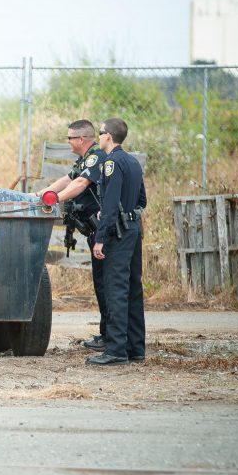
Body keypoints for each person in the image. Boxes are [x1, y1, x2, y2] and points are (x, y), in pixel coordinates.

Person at [36, 119, 109, 351]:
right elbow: (68, 178)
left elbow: (79, 183)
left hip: (103, 232)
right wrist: (40, 194)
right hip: (94, 232)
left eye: (69, 138)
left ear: (81, 139)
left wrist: (55, 199)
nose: (67, 141)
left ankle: (111, 336)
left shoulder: (96, 157)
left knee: (106, 284)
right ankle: (107, 333)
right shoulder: (84, 160)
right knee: (101, 284)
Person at [88, 118, 147, 366]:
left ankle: (115, 351)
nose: (98, 138)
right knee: (133, 288)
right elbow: (142, 200)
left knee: (116, 289)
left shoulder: (111, 163)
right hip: (133, 228)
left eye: (100, 133)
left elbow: (110, 203)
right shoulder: (132, 161)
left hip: (118, 233)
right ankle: (136, 349)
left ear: (109, 136)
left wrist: (100, 238)